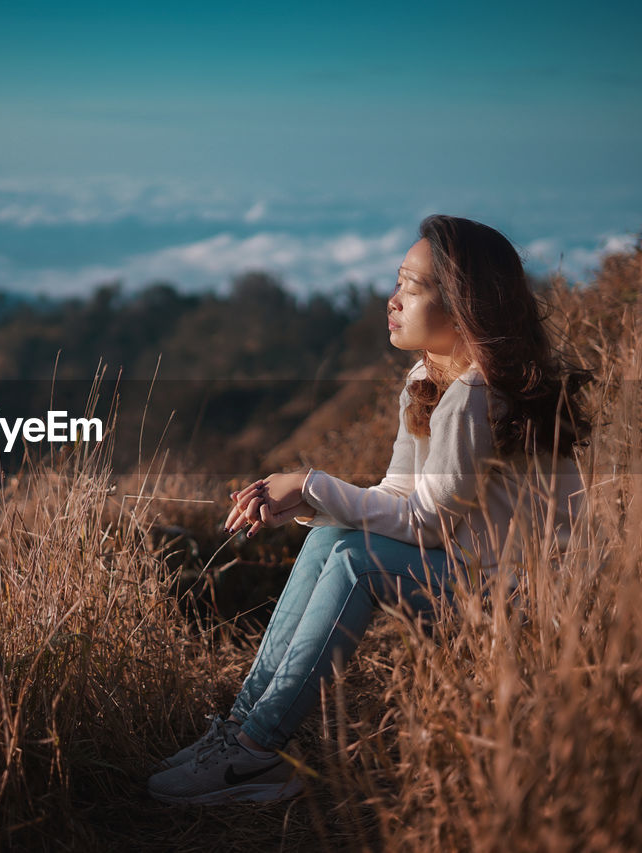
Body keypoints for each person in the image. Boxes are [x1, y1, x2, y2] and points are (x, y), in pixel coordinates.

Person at [147, 215, 592, 806]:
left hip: (520, 599)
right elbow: (397, 496)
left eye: (413, 287)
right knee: (329, 539)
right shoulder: (428, 380)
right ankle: (246, 732)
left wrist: (311, 482)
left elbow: (427, 525)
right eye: (398, 282)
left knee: (356, 559)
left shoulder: (475, 397)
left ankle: (255, 749)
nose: (393, 299)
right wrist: (311, 500)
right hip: (469, 571)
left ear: (464, 307)